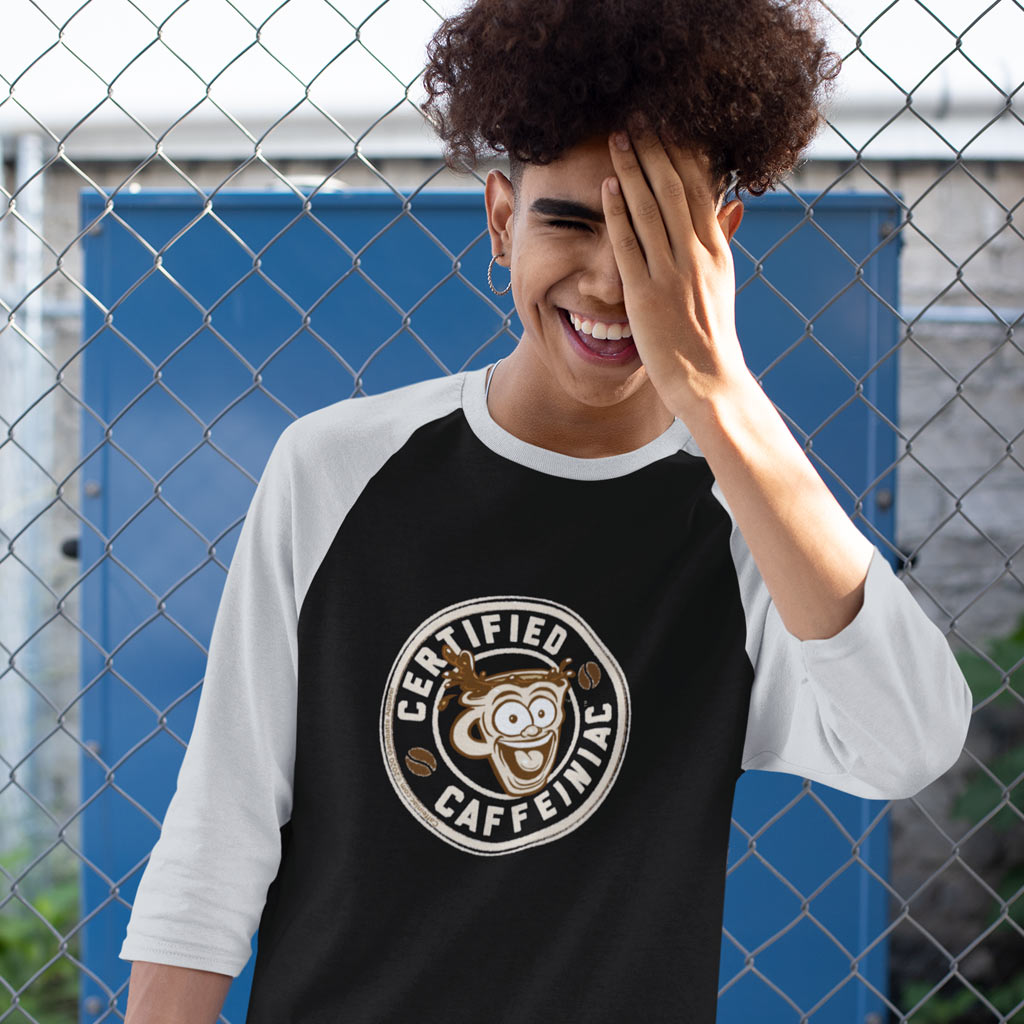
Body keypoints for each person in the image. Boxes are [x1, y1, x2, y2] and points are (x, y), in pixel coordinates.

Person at [121, 0, 974, 1021]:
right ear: (498, 221)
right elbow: (222, 825)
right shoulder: (336, 466)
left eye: (656, 235)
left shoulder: (752, 519)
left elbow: (910, 742)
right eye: (567, 221)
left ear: (721, 243)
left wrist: (718, 389)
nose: (611, 279)